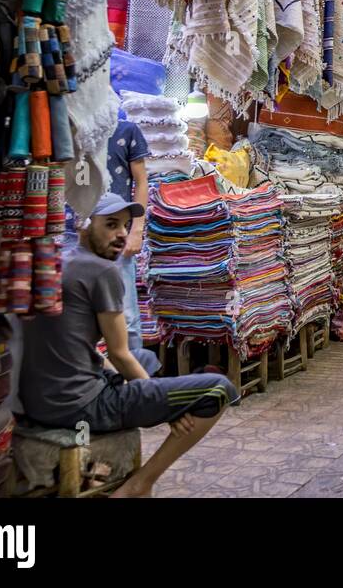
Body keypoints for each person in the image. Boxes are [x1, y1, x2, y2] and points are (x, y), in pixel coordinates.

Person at [19, 194, 238, 498]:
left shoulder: (58, 260)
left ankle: (115, 458)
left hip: (38, 400)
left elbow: (90, 349)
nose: (122, 234)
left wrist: (152, 395)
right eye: (111, 225)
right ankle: (140, 484)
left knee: (145, 360)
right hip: (78, 406)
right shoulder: (103, 271)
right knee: (218, 389)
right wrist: (164, 408)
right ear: (84, 225)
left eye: (125, 225)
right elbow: (119, 355)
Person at [106, 117, 149, 349]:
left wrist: (137, 230)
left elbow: (142, 181)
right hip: (75, 233)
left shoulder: (126, 130)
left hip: (116, 234)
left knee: (127, 316)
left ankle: (132, 381)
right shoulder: (68, 126)